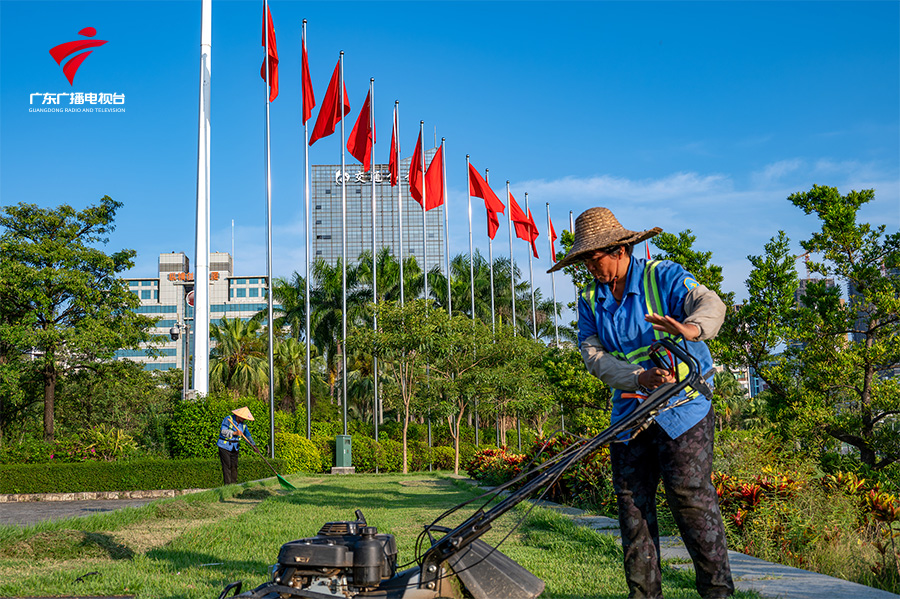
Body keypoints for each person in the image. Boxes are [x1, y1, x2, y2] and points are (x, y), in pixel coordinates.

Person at [549, 207, 734, 599]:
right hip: (631, 412)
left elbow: (709, 302)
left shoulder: (662, 276)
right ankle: (643, 595)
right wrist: (638, 378)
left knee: (690, 498)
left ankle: (718, 593)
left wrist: (691, 327)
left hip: (682, 407)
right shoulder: (589, 299)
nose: (589, 266)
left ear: (618, 249)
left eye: (593, 257)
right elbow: (593, 356)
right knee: (632, 507)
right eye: (583, 259)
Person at [217, 406, 256, 485]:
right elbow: (223, 432)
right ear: (238, 415)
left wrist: (254, 446)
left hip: (235, 447)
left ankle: (233, 485)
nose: (244, 419)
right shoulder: (228, 419)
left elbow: (248, 436)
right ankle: (227, 486)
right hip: (224, 446)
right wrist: (234, 433)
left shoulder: (243, 425)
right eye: (243, 418)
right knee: (227, 466)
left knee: (234, 466)